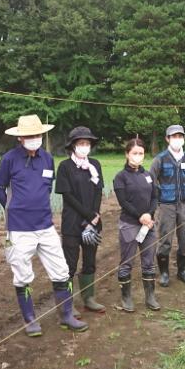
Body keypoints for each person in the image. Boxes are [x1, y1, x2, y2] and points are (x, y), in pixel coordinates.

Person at [0, 115, 87, 337]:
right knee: (22, 274)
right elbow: (0, 188)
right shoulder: (9, 159)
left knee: (61, 271)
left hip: (45, 225)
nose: (33, 138)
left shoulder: (47, 158)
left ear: (41, 135)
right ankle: (30, 320)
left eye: (37, 134)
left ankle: (66, 316)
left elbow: (46, 187)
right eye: (29, 135)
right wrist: (13, 207)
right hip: (19, 228)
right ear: (20, 138)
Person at [55, 126, 105, 313]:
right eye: (81, 143)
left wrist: (95, 216)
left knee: (90, 261)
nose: (85, 146)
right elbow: (68, 196)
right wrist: (88, 215)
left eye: (87, 143)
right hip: (72, 222)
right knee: (70, 263)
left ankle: (89, 298)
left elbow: (98, 190)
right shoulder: (65, 167)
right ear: (73, 146)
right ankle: (67, 304)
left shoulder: (95, 165)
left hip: (93, 221)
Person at [113, 138, 160, 312]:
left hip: (148, 225)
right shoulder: (121, 177)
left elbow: (155, 197)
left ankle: (150, 297)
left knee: (148, 262)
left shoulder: (148, 175)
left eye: (141, 153)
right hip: (130, 225)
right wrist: (139, 216)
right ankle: (126, 298)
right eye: (134, 153)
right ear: (127, 154)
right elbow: (123, 202)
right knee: (127, 262)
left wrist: (149, 214)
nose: (138, 157)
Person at [149, 124, 185, 287]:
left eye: (180, 136)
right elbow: (151, 180)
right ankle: (164, 273)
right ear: (167, 139)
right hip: (167, 205)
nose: (177, 139)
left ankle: (183, 271)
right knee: (165, 238)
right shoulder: (160, 159)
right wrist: (158, 198)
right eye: (174, 136)